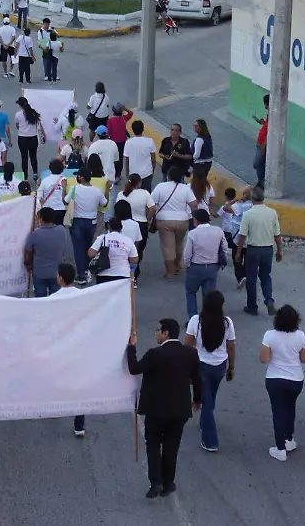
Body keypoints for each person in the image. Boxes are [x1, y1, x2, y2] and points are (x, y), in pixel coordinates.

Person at [126, 318, 203, 499]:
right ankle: (168, 482)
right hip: (179, 410)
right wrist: (198, 399)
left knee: (153, 444)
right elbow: (197, 379)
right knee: (171, 446)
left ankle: (156, 482)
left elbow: (134, 368)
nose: (156, 333)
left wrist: (131, 347)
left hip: (156, 409)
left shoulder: (155, 354)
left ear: (166, 332)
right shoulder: (190, 354)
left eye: (158, 330)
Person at [184, 290, 235, 452]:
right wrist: (231, 367)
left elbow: (187, 346)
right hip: (220, 366)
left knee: (206, 402)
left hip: (201, 366)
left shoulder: (196, 321)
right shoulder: (227, 323)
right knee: (210, 397)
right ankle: (205, 423)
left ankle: (210, 441)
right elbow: (231, 346)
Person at [262, 304, 305, 461]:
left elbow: (264, 359)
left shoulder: (269, 335)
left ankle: (280, 448)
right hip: (295, 379)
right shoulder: (300, 336)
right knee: (290, 408)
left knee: (278, 413)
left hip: (275, 378)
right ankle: (289, 439)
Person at [236, 186, 282, 316]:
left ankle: (252, 306)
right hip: (267, 249)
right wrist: (279, 250)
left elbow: (242, 236)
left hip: (253, 250)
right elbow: (277, 235)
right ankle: (268, 300)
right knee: (266, 276)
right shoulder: (272, 212)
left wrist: (239, 252)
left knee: (251, 278)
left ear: (252, 199)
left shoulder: (248, 214)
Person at [149, 167, 198, 280]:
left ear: (168, 176)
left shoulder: (160, 187)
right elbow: (194, 204)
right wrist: (195, 219)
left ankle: (169, 272)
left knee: (167, 246)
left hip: (165, 220)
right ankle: (177, 266)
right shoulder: (186, 188)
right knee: (179, 243)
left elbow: (152, 203)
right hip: (183, 220)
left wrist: (149, 219)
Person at [181, 209, 228, 320]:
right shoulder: (218, 231)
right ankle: (208, 317)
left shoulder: (193, 234)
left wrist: (187, 265)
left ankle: (193, 318)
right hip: (212, 267)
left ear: (196, 220)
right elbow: (224, 249)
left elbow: (187, 253)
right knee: (209, 295)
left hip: (196, 266)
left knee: (191, 292)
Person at [66, 169, 108, 285]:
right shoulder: (97, 191)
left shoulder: (74, 188)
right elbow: (104, 203)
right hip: (92, 222)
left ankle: (81, 274)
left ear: (81, 177)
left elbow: (65, 201)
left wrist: (63, 189)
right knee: (88, 246)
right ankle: (89, 269)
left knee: (78, 248)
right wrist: (107, 190)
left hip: (77, 221)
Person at [25, 207, 74, 297]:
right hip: (56, 272)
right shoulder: (61, 230)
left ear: (41, 219)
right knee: (56, 298)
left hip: (39, 272)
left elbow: (28, 253)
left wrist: (28, 265)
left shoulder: (34, 235)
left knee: (40, 299)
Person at [88, 217, 140, 284]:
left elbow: (91, 253)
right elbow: (134, 260)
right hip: (123, 274)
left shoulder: (102, 238)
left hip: (103, 273)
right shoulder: (128, 240)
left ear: (109, 227)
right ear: (121, 228)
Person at [219, 186, 253, 287]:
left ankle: (241, 277)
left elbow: (226, 208)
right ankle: (247, 276)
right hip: (250, 239)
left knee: (237, 259)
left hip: (238, 238)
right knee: (248, 259)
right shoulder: (254, 206)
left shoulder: (238, 206)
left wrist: (235, 200)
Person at [14, 97, 45, 181]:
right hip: (33, 138)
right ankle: (35, 173)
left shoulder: (18, 114)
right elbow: (38, 124)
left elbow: (17, 125)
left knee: (24, 157)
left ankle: (25, 176)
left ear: (20, 105)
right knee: (33, 156)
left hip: (22, 138)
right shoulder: (33, 113)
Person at [122, 120, 158, 191]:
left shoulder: (128, 143)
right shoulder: (150, 141)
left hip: (133, 174)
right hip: (147, 173)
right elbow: (153, 160)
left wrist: (127, 173)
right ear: (143, 129)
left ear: (132, 130)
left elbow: (127, 160)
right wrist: (152, 171)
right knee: (147, 194)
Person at [189, 119, 213, 196]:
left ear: (201, 127)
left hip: (199, 165)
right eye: (194, 126)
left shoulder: (199, 139)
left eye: (196, 126)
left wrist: (190, 163)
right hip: (208, 163)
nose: (194, 128)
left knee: (196, 184)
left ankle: (197, 197)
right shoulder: (208, 137)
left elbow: (196, 154)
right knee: (202, 181)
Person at [254, 94, 269, 189]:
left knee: (257, 163)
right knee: (260, 163)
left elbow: (270, 131)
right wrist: (261, 122)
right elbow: (267, 126)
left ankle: (261, 181)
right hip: (260, 143)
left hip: (262, 144)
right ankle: (261, 181)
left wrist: (264, 146)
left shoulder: (273, 114)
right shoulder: (269, 114)